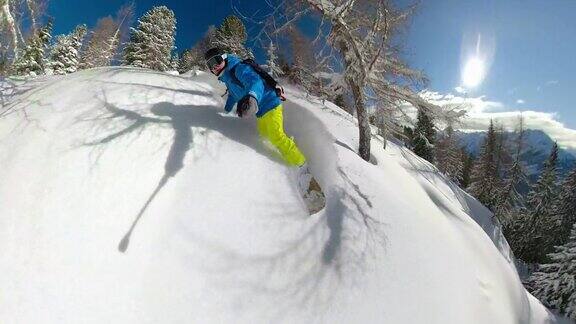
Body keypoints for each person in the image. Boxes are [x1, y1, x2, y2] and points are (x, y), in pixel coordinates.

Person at [204, 47, 323, 204]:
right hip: (261, 112)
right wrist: (225, 110)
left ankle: (302, 168)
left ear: (224, 58)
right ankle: (285, 154)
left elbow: (256, 82)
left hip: (271, 104)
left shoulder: (238, 68)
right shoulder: (227, 78)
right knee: (265, 136)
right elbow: (233, 95)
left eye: (216, 61)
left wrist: (252, 98)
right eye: (210, 65)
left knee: (275, 135)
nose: (214, 66)